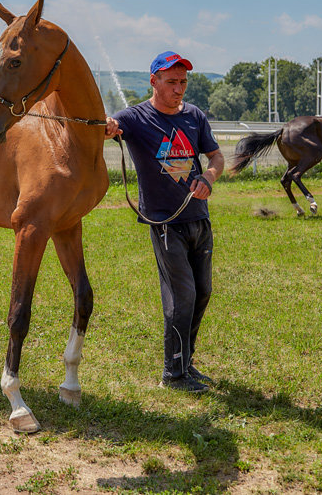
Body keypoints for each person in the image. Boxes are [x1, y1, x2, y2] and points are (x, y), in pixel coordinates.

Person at [104, 52, 225, 394]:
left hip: (199, 218)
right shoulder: (137, 117)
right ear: (154, 82)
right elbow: (109, 128)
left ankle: (185, 362)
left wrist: (210, 177)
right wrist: (108, 126)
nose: (178, 89)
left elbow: (216, 156)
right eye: (171, 82)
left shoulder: (195, 117)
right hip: (165, 222)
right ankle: (173, 375)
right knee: (181, 295)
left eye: (183, 82)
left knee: (203, 292)